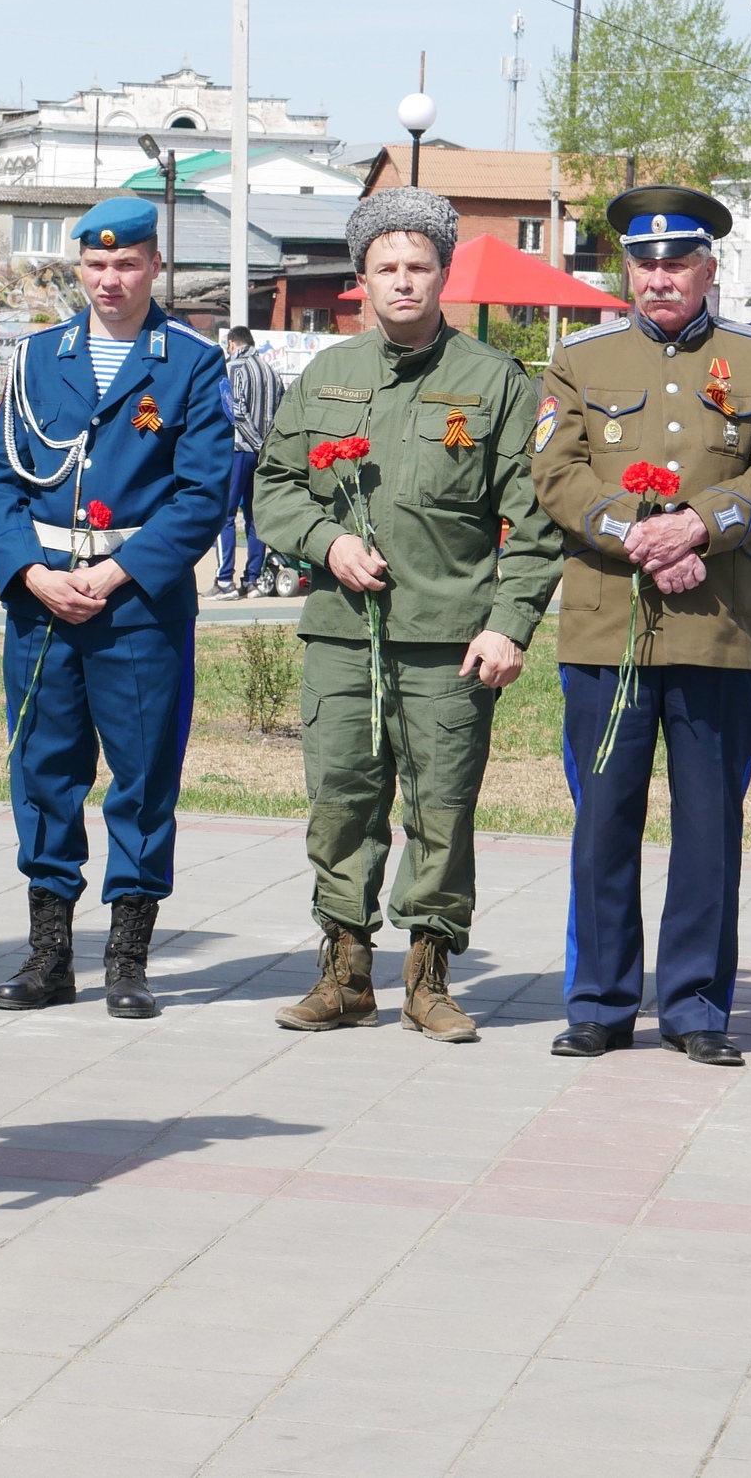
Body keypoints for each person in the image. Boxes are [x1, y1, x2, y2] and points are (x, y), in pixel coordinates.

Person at [254, 189, 562, 1038]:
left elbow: (533, 525)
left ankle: (428, 977)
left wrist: (510, 624)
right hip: (342, 634)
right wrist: (325, 542)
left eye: (418, 267)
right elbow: (274, 489)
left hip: (451, 640)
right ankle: (347, 972)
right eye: (386, 268)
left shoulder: (495, 384)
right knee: (343, 799)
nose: (402, 282)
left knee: (441, 805)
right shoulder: (327, 376)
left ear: (444, 274)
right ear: (360, 280)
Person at [529, 186, 751, 1067]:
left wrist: (700, 525)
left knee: (709, 824)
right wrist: (639, 536)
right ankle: (602, 1003)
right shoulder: (579, 359)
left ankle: (694, 1007)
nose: (659, 278)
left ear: (708, 270)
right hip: (609, 628)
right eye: (644, 264)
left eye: (676, 262)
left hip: (718, 626)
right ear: (628, 272)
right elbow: (558, 474)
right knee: (605, 817)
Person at [0, 195, 232, 1019]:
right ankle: (49, 953)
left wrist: (120, 573)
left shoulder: (189, 362)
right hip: (46, 599)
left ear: (155, 265)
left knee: (141, 777)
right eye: (95, 264)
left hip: (136, 606)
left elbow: (202, 494)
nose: (110, 279)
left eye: (127, 264)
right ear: (77, 267)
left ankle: (128, 957)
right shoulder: (34, 358)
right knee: (45, 773)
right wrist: (27, 572)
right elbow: (3, 480)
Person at [215, 324, 282, 599]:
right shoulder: (272, 371)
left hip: (238, 448)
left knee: (226, 516)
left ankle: (224, 582)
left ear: (232, 343)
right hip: (264, 452)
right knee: (256, 517)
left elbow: (235, 410)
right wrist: (266, 446)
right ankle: (253, 580)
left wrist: (255, 441)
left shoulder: (233, 368)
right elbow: (282, 410)